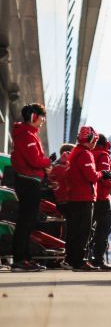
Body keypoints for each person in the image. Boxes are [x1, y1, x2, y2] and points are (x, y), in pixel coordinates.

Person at [10, 103, 52, 271]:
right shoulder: (27, 135)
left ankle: (25, 258)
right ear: (34, 117)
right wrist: (49, 161)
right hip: (28, 182)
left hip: (30, 181)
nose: (42, 122)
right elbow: (34, 161)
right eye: (41, 118)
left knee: (28, 222)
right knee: (25, 222)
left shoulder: (29, 134)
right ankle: (20, 260)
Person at [64, 126, 107, 272]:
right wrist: (102, 174)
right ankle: (80, 261)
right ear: (91, 139)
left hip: (73, 197)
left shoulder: (74, 152)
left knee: (73, 231)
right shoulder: (85, 154)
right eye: (94, 140)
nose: (95, 143)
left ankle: (70, 260)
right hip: (84, 198)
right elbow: (92, 176)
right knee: (84, 232)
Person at [90, 135, 111, 272]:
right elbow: (106, 178)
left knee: (88, 229)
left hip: (89, 197)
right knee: (104, 228)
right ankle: (98, 260)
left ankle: (86, 257)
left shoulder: (89, 154)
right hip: (102, 198)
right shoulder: (103, 156)